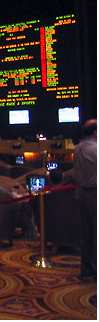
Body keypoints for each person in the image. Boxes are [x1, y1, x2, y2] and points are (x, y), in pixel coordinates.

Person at [74, 119, 97, 281]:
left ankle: (87, 270)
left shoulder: (78, 148)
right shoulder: (96, 149)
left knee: (86, 234)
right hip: (95, 194)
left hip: (82, 193)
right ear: (95, 133)